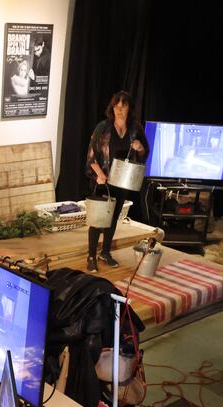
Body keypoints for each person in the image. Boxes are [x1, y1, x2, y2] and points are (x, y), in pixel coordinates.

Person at [85, 90, 149, 272]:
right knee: (98, 219)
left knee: (113, 219)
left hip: (123, 181)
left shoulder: (136, 129)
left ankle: (105, 252)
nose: (119, 110)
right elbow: (91, 155)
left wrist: (140, 147)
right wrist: (99, 174)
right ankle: (91, 256)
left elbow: (144, 153)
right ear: (112, 107)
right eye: (116, 106)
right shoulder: (103, 127)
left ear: (129, 108)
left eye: (124, 106)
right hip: (102, 181)